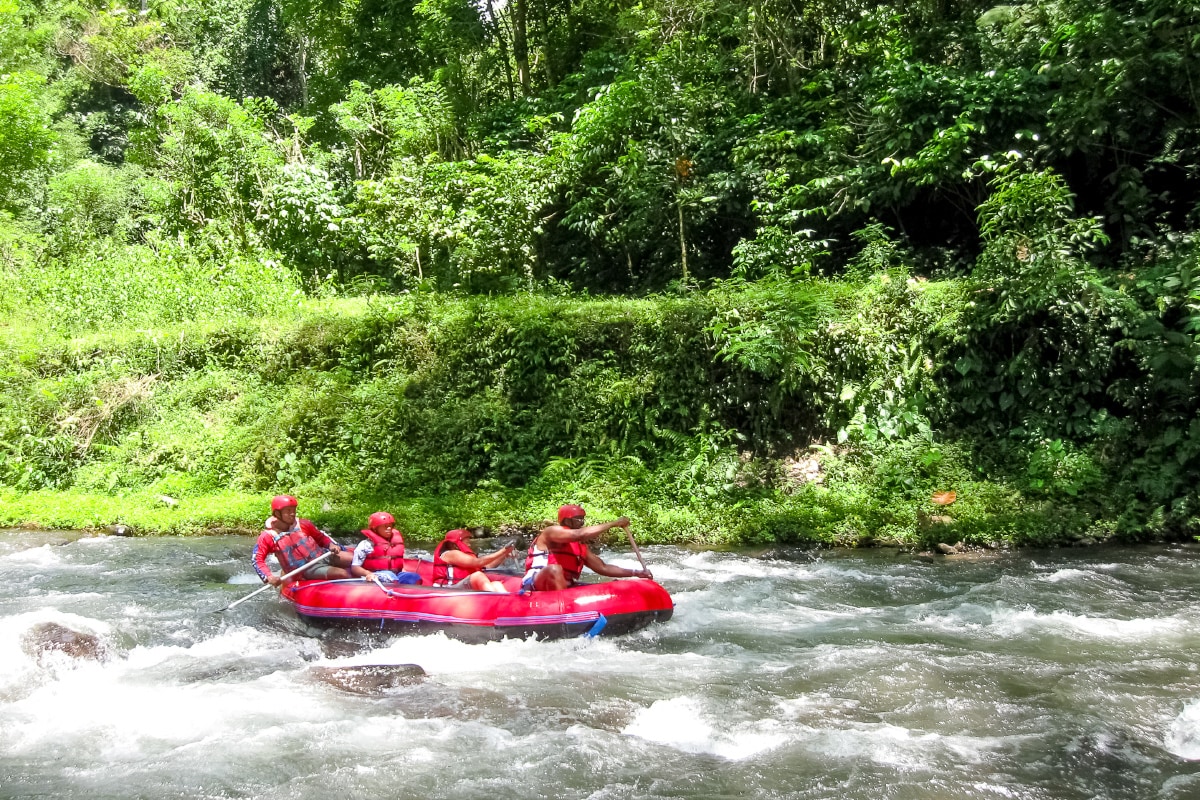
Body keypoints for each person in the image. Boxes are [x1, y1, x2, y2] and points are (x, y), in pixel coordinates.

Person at [522, 504, 652, 592]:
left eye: (582, 519)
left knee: (615, 584)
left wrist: (636, 573)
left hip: (564, 585)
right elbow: (579, 534)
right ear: (567, 521)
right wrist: (614, 523)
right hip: (536, 581)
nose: (582, 522)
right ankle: (562, 609)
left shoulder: (579, 547)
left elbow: (603, 568)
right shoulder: (551, 532)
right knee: (555, 569)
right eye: (578, 519)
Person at [253, 495, 369, 585]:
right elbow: (257, 559)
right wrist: (269, 577)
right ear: (277, 513)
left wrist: (331, 545)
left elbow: (320, 537)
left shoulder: (303, 524)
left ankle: (376, 576)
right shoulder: (268, 536)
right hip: (306, 569)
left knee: (356, 559)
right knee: (342, 574)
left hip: (323, 555)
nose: (292, 514)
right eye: (288, 511)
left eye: (294, 510)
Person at [432, 529, 514, 593]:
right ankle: (495, 601)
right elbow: (477, 562)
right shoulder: (451, 554)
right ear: (455, 544)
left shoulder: (462, 555)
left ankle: (508, 603)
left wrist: (503, 555)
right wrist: (503, 551)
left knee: (496, 584)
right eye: (467, 542)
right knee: (478, 576)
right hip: (447, 589)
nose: (469, 545)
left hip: (459, 586)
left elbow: (487, 566)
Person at [352, 512, 420, 584]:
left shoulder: (394, 543)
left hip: (396, 574)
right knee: (389, 576)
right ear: (375, 528)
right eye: (385, 526)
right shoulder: (365, 545)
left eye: (391, 525)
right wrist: (368, 574)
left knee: (413, 577)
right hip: (376, 574)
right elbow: (355, 568)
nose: (389, 528)